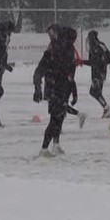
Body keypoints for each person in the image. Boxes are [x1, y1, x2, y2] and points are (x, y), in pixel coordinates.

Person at [34, 26, 80, 157]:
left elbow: (70, 73)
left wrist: (73, 90)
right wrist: (37, 86)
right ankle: (44, 148)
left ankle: (55, 144)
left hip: (62, 88)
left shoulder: (67, 49)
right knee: (55, 119)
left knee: (59, 118)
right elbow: (41, 68)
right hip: (54, 88)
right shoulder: (55, 49)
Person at [83, 30, 110, 118]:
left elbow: (93, 61)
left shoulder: (95, 47)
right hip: (100, 73)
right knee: (96, 92)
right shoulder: (101, 45)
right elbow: (109, 58)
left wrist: (82, 62)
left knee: (94, 92)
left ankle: (106, 107)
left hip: (97, 73)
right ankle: (105, 108)